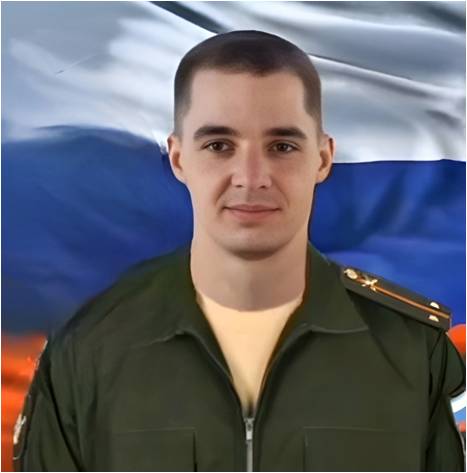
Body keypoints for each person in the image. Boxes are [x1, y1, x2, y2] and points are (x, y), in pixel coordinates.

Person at [14, 30, 465, 472]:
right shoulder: (89, 350)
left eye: (282, 146)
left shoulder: (411, 350)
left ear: (323, 158)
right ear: (178, 158)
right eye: (219, 146)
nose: (251, 177)